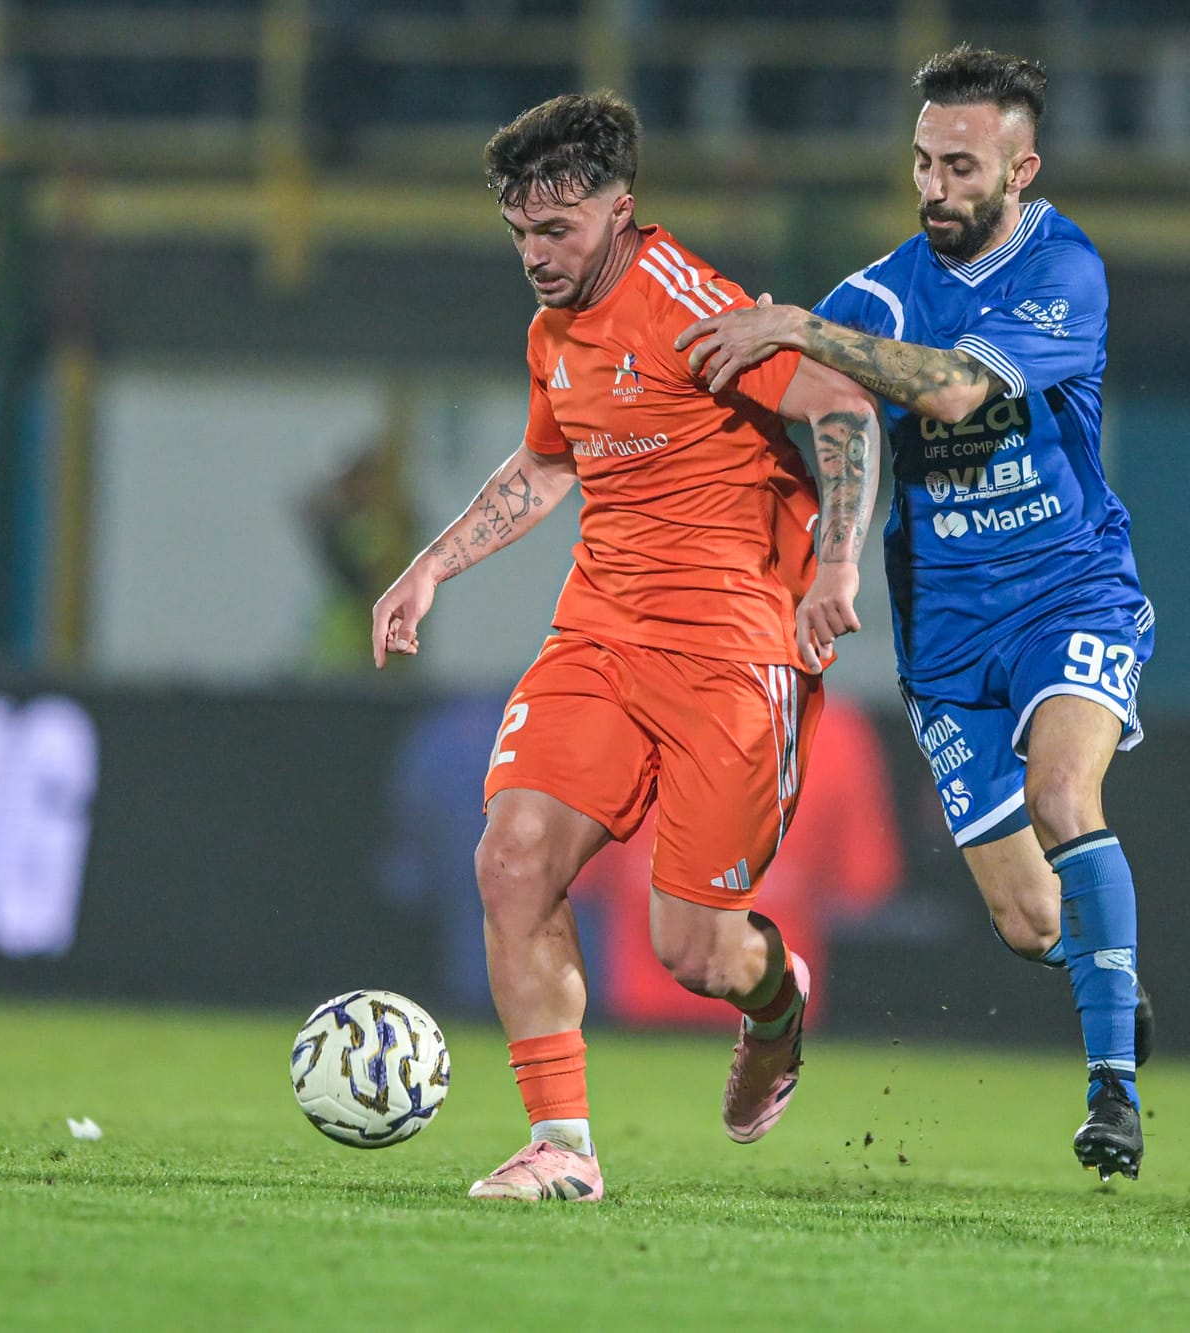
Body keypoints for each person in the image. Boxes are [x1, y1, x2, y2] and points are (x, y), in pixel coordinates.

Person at [371, 91, 882, 1203]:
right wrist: (431, 567)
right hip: (599, 633)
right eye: (519, 233)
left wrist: (838, 563)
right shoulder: (552, 332)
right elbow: (548, 462)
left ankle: (775, 1003)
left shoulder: (688, 309)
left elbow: (844, 406)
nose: (535, 256)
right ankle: (561, 1144)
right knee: (511, 860)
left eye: (557, 230)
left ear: (621, 209)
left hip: (733, 651)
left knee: (694, 951)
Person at [676, 45, 1153, 1181]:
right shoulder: (879, 293)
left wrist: (800, 325)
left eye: (960, 166)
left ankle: (1113, 1094)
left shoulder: (1063, 268)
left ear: (1021, 171)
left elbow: (953, 388)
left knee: (1064, 794)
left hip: (1069, 589)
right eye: (922, 162)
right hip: (943, 632)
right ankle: (1111, 971)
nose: (934, 185)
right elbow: (822, 410)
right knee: (1032, 924)